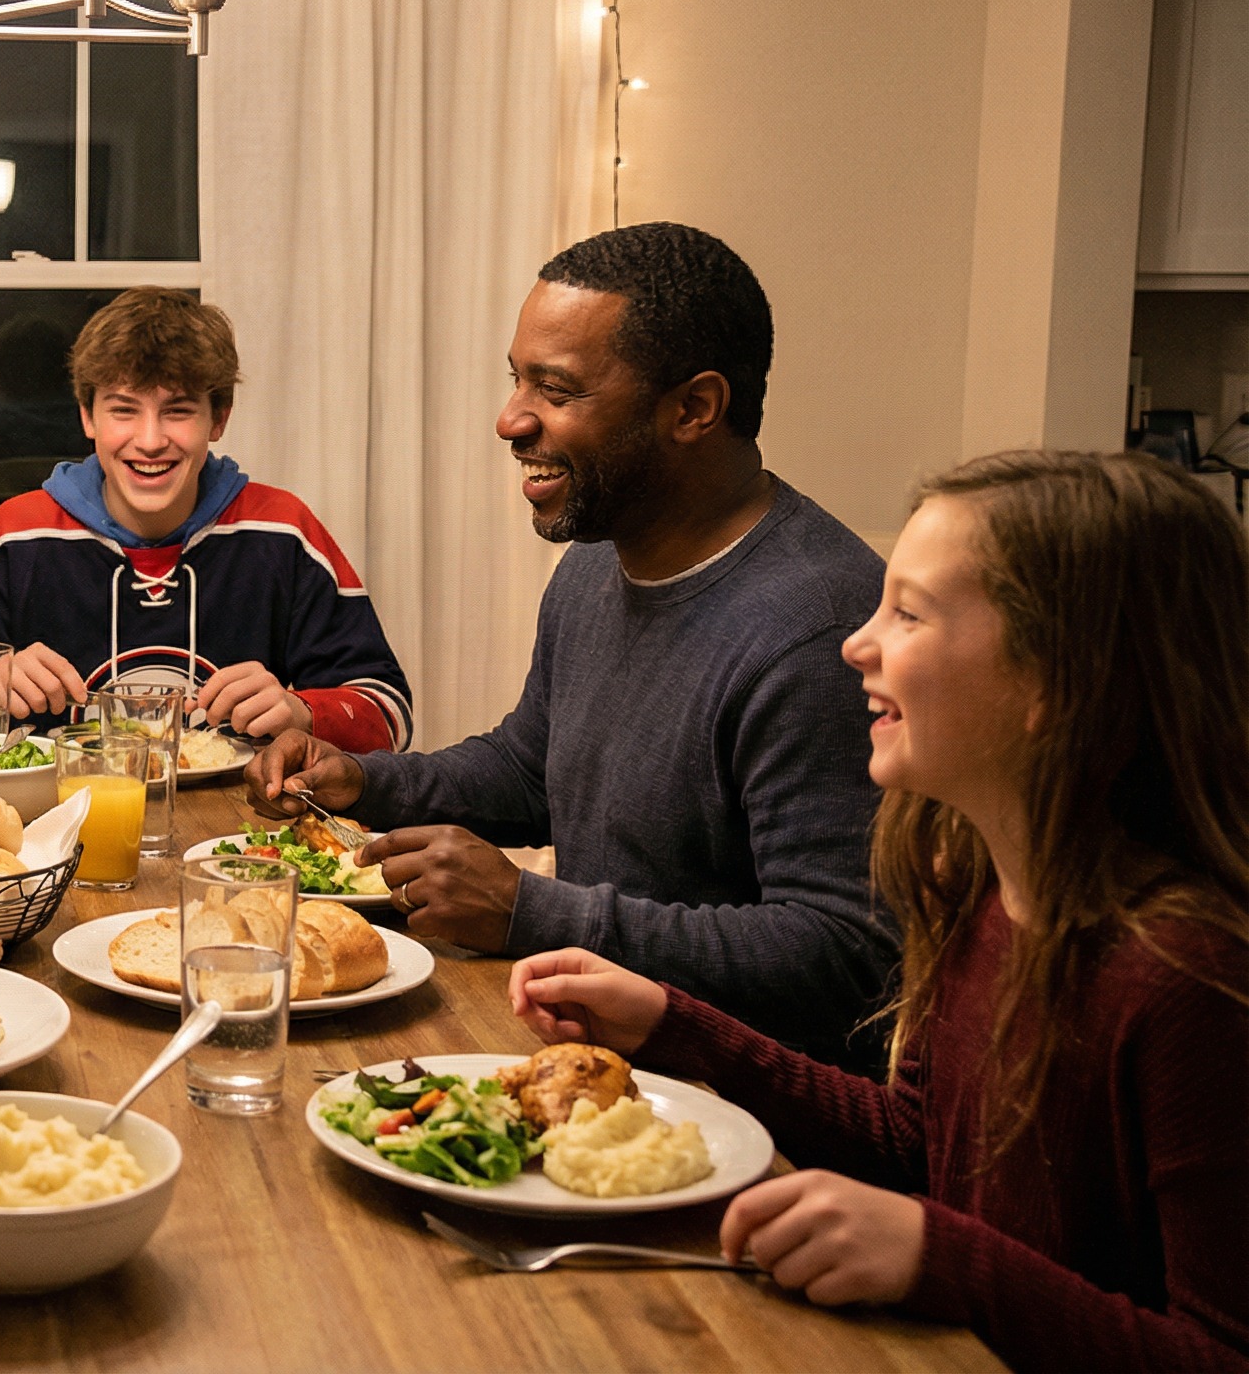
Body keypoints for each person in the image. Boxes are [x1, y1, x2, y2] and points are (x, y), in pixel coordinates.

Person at [507, 451, 1249, 1374]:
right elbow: (914, 1144)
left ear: (1055, 680)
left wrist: (944, 1260)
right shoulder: (978, 890)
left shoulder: (1191, 981)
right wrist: (674, 1025)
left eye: (909, 614)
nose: (857, 644)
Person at [249, 223, 895, 1068]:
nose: (510, 419)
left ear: (693, 409)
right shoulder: (598, 560)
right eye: (516, 379)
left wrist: (537, 912)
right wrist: (365, 780)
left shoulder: (820, 630)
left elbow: (844, 954)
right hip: (590, 1054)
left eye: (555, 389)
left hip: (737, 1108)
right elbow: (533, 771)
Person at [0, 287, 410, 750]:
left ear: (219, 418)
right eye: (124, 410)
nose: (149, 440)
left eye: (178, 411)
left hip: (245, 818)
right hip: (51, 816)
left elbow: (390, 713)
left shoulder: (283, 530)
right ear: (87, 416)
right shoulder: (17, 534)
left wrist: (301, 712)